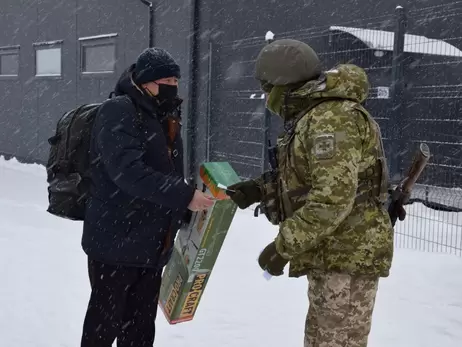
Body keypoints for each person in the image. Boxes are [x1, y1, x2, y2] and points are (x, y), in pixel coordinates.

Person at [227, 39, 394, 347]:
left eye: (267, 89)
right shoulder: (313, 115)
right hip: (331, 252)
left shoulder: (330, 119)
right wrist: (260, 188)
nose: (266, 98)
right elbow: (310, 178)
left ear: (283, 85)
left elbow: (332, 200)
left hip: (346, 255)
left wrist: (283, 247)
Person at [80, 47, 214, 347]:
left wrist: (184, 210)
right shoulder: (118, 111)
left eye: (176, 80)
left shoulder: (163, 114)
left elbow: (167, 172)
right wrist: (183, 196)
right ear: (144, 81)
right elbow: (128, 173)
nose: (173, 85)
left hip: (151, 245)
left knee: (140, 328)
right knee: (103, 327)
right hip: (115, 243)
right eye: (165, 80)